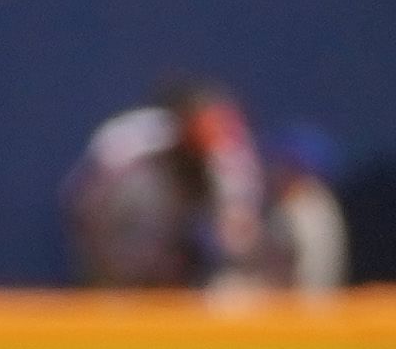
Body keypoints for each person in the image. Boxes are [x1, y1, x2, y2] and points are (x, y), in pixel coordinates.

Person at [63, 82, 306, 299]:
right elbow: (85, 210)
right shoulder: (138, 164)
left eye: (224, 124)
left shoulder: (229, 161)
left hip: (187, 284)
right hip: (121, 273)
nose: (219, 134)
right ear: (186, 125)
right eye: (209, 124)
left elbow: (240, 236)